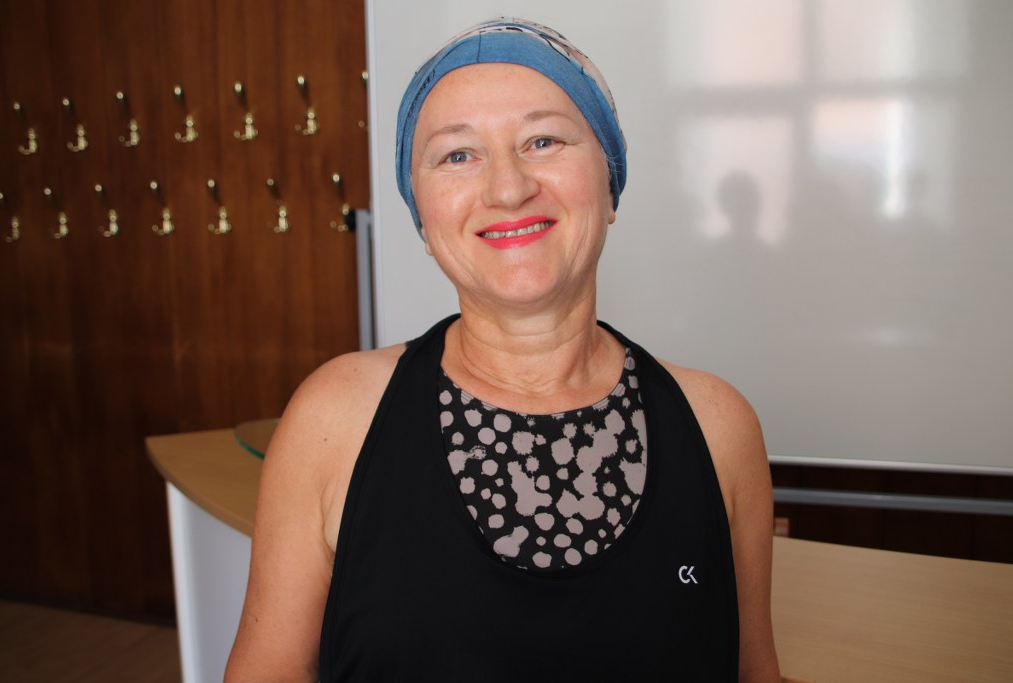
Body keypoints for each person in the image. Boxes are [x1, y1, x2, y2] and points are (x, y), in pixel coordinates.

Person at [225, 17, 779, 682]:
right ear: (422, 217)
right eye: (458, 155)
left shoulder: (718, 426)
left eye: (543, 141)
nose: (508, 188)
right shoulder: (335, 419)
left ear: (610, 183)